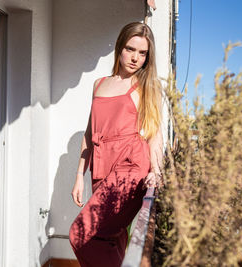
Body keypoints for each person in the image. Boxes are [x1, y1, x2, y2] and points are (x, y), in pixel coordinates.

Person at [69, 22, 163, 267]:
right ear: (120, 47)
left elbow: (155, 133)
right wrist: (79, 174)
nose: (135, 58)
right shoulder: (99, 84)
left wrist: (156, 170)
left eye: (142, 53)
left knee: (80, 234)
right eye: (130, 49)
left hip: (130, 165)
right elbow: (90, 133)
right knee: (113, 237)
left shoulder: (145, 86)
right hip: (100, 165)